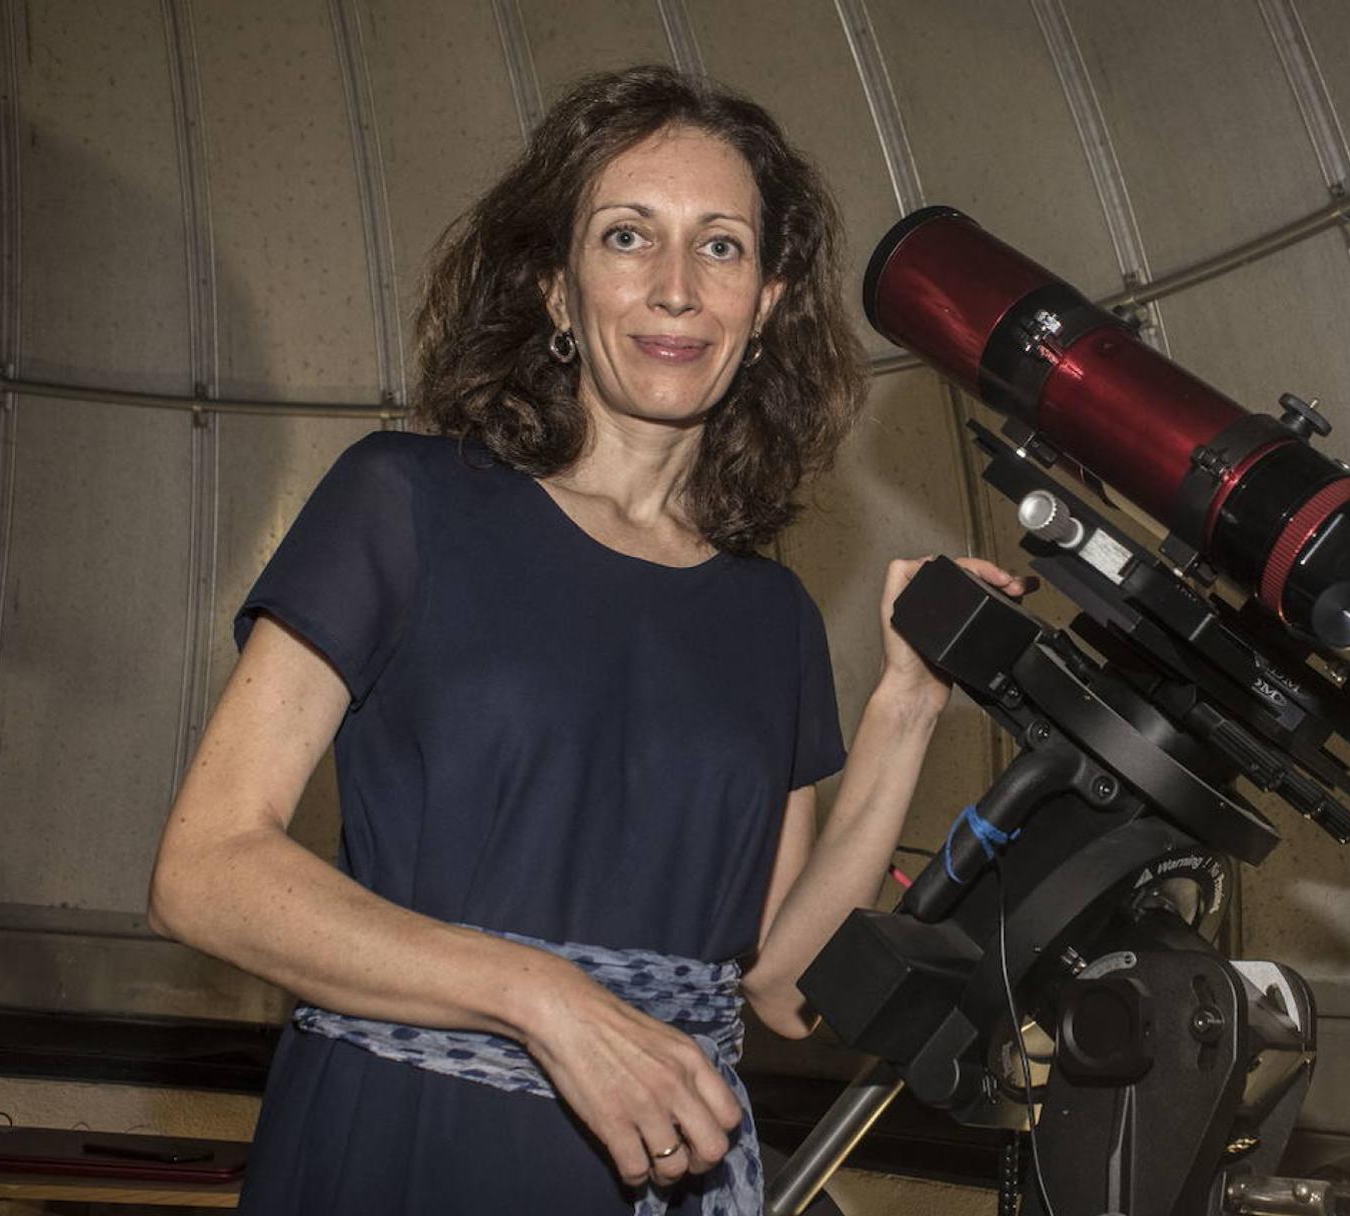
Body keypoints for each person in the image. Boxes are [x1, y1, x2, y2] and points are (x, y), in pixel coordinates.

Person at [147, 65, 1023, 1216]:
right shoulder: (402, 503)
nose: (674, 288)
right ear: (557, 292)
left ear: (764, 305)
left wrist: (907, 705)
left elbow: (780, 983)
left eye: (720, 246)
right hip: (394, 1154)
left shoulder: (772, 618)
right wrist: (542, 997)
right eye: (626, 236)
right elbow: (205, 874)